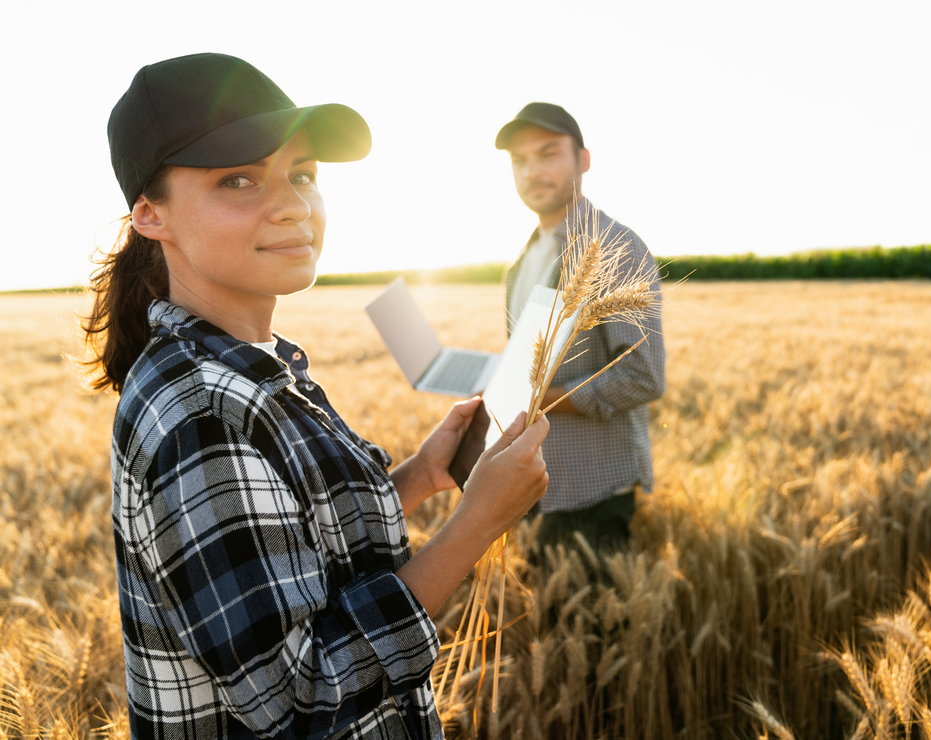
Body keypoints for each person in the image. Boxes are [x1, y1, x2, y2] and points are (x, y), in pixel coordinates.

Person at [84, 53, 549, 740]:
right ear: (151, 216)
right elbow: (300, 696)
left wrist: (420, 477)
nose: (294, 205)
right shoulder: (202, 409)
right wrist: (477, 521)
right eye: (237, 179)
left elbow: (301, 550)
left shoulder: (248, 364)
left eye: (302, 174)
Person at [494, 103, 665, 558]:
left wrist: (542, 399)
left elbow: (642, 375)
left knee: (597, 627)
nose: (532, 170)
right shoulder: (521, 263)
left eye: (548, 153)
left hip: (591, 487)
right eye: (519, 160)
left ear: (583, 160)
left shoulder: (615, 248)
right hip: (532, 480)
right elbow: (528, 365)